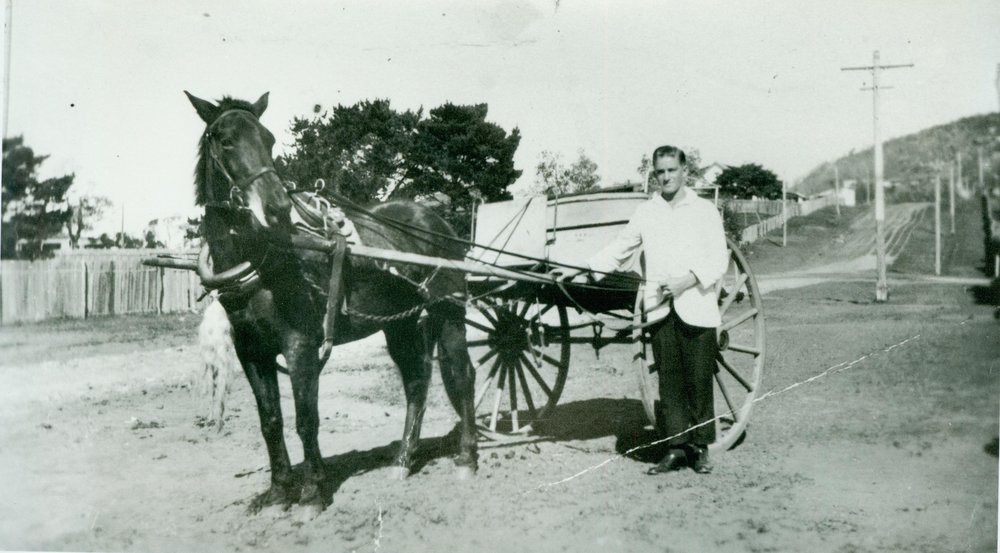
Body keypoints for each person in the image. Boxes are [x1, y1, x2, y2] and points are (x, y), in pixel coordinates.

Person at [572, 145, 729, 474]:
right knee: (670, 382)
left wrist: (688, 281)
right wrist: (583, 270)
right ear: (654, 174)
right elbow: (622, 246)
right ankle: (674, 448)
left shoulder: (704, 211)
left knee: (698, 378)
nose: (667, 177)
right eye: (661, 172)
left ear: (685, 171)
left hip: (696, 303)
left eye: (673, 170)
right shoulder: (647, 212)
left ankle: (699, 448)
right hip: (659, 307)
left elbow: (718, 257)